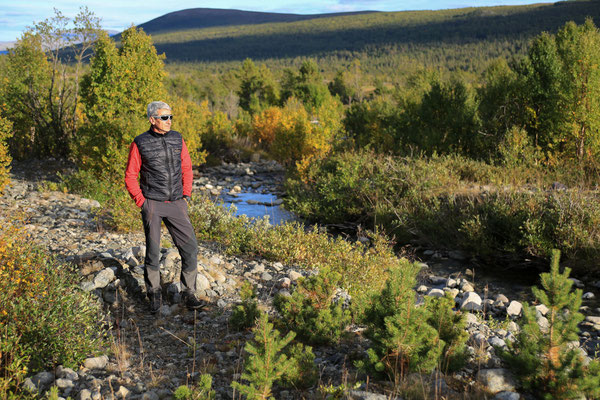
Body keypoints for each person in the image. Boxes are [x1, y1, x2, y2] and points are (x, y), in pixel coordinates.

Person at [125, 101, 204, 313]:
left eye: (170, 117)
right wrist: (142, 202)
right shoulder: (140, 142)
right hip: (152, 203)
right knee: (152, 252)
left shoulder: (177, 138)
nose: (169, 121)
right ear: (152, 119)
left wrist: (186, 195)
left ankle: (189, 293)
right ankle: (154, 294)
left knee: (190, 247)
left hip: (177, 202)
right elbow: (131, 175)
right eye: (164, 117)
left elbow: (187, 167)